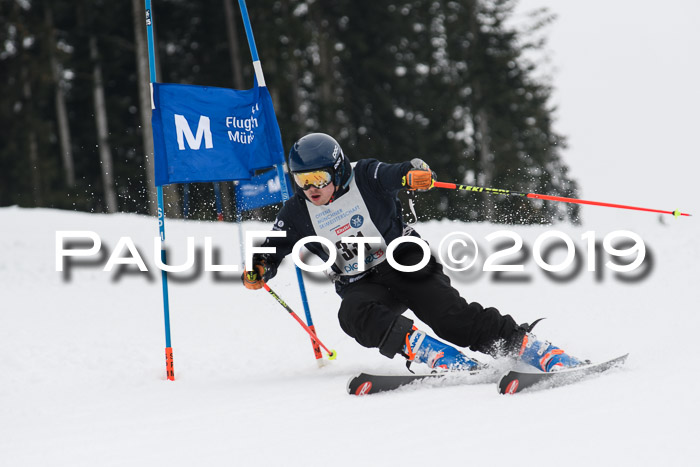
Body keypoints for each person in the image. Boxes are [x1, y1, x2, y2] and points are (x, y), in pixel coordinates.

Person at [242, 133, 583, 373]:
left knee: (451, 319)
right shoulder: (297, 212)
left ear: (337, 169)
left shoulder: (365, 174)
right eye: (301, 181)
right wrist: (261, 266)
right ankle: (433, 354)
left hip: (405, 261)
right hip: (360, 280)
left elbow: (399, 172)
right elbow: (274, 246)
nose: (311, 189)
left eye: (318, 178)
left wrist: (414, 175)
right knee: (353, 314)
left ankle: (529, 348)